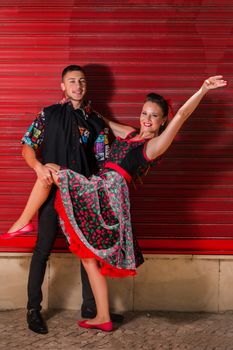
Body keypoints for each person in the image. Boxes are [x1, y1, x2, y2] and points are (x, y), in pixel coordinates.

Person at [2, 76, 227, 332]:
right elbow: (102, 121)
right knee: (87, 256)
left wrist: (202, 90)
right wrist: (76, 103)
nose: (147, 119)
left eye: (154, 116)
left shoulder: (153, 146)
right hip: (98, 188)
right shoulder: (130, 134)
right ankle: (102, 316)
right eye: (144, 113)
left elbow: (182, 115)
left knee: (50, 172)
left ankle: (21, 223)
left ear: (163, 120)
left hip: (107, 195)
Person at [2, 64, 123, 334]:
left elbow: (103, 162)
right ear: (63, 86)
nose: (77, 85)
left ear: (85, 86)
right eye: (71, 81)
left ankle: (91, 309)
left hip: (81, 196)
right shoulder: (49, 114)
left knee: (88, 253)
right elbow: (27, 145)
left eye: (81, 81)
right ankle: (33, 309)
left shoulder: (96, 123)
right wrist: (38, 167)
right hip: (50, 193)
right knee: (41, 250)